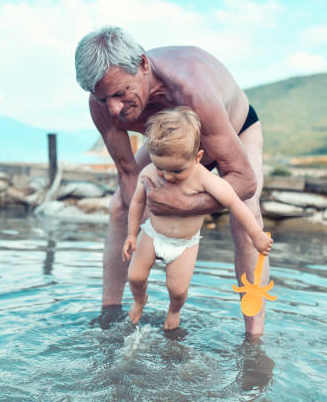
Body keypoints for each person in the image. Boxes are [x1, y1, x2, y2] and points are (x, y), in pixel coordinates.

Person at [75, 26, 269, 337]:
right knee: (119, 208)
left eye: (120, 93)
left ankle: (254, 337)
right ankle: (109, 315)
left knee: (246, 219)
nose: (113, 108)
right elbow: (127, 172)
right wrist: (149, 228)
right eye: (102, 97)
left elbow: (244, 181)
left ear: (142, 65)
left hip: (233, 131)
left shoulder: (191, 89)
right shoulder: (102, 106)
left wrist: (184, 205)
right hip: (167, 145)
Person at [121, 107, 273, 330]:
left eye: (176, 171)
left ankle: (174, 310)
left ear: (197, 158)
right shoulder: (149, 173)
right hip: (152, 235)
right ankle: (139, 300)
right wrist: (132, 234)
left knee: (178, 290)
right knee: (134, 276)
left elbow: (234, 203)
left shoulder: (203, 178)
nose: (168, 176)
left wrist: (257, 234)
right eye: (161, 168)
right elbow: (137, 202)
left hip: (185, 244)